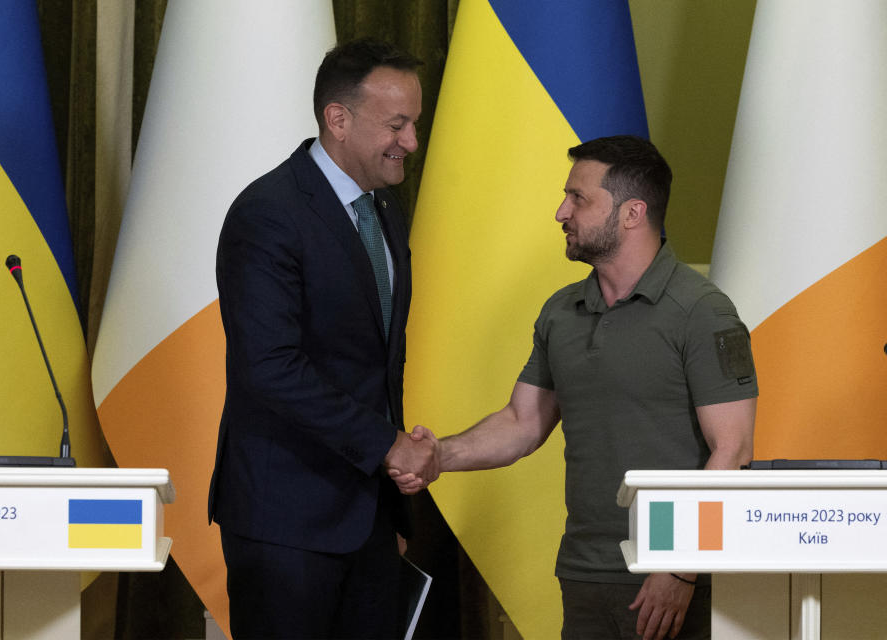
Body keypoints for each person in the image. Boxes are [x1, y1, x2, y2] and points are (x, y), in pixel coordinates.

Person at [392, 136, 758, 640]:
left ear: (632, 213)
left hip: (671, 581)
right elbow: (523, 423)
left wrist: (679, 568)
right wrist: (438, 454)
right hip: (583, 573)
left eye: (578, 198)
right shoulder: (561, 312)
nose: (561, 211)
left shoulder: (703, 312)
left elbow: (732, 451)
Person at [208, 38, 438, 639]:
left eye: (414, 123)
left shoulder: (384, 209)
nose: (411, 142)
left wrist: (388, 498)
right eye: (397, 124)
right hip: (286, 522)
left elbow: (376, 361)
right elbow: (269, 367)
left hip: (367, 519)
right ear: (338, 119)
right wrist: (386, 445)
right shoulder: (268, 213)